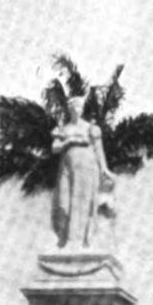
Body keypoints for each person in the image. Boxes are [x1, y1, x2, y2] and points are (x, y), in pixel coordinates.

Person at [51, 95, 116, 249]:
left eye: (80, 107)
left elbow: (98, 149)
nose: (78, 110)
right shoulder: (63, 129)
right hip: (67, 168)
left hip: (87, 166)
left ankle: (81, 241)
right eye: (75, 107)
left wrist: (104, 168)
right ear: (70, 109)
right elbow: (54, 148)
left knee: (84, 201)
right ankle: (66, 238)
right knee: (64, 203)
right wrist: (69, 141)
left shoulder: (90, 128)